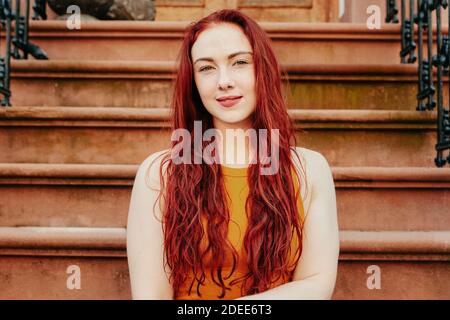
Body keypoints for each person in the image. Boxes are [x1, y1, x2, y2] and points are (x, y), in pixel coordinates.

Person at [126, 9, 339, 300]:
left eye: (239, 62)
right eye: (206, 68)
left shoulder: (309, 168)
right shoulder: (159, 173)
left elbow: (316, 285)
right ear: (193, 83)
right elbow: (151, 296)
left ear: (261, 69)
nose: (223, 81)